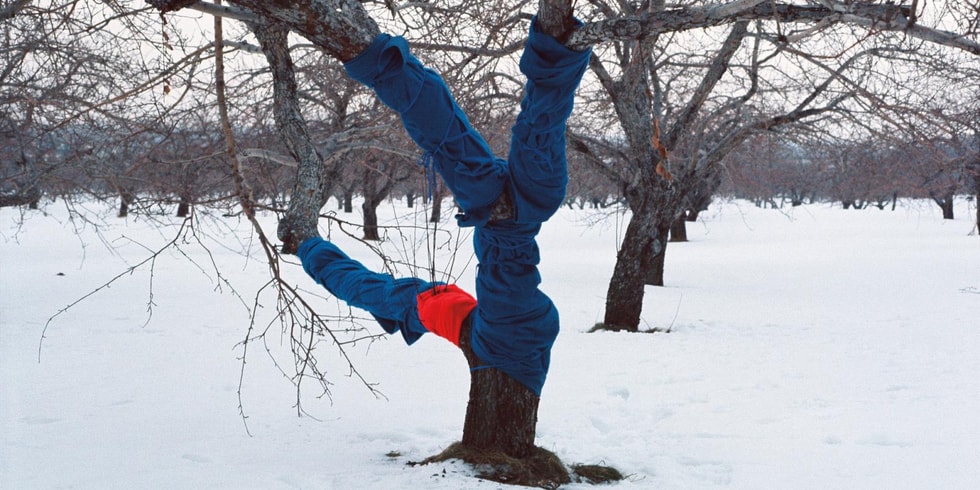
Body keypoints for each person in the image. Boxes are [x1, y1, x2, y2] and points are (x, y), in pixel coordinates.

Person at [293, 17, 590, 396]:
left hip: (519, 210)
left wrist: (310, 249)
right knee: (509, 128)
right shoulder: (443, 309)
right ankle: (380, 60)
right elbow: (364, 287)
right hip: (514, 213)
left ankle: (556, 46)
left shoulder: (447, 310)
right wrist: (312, 252)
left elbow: (364, 288)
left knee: (531, 125)